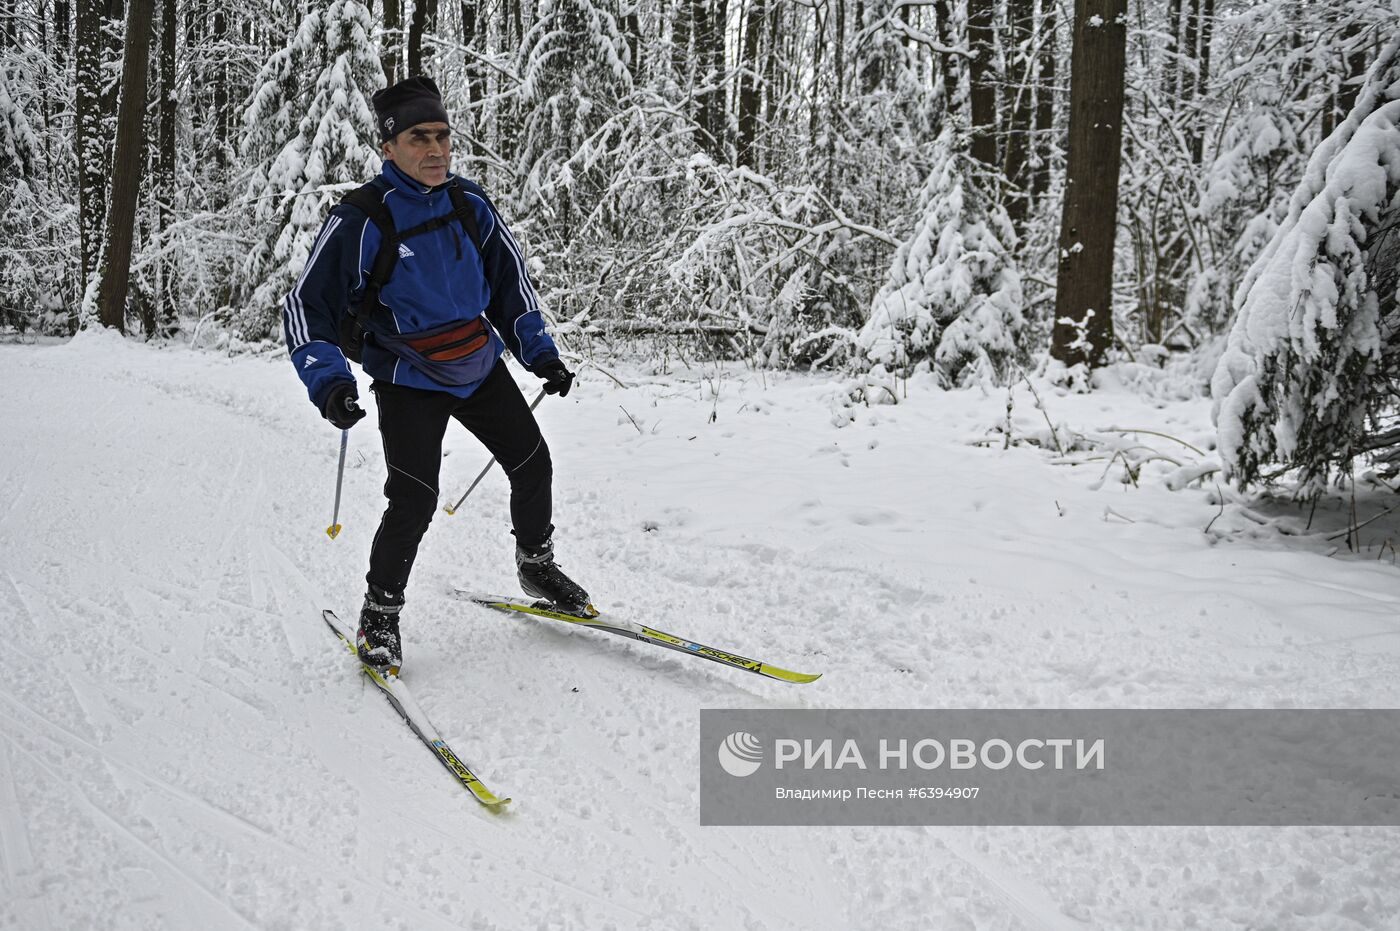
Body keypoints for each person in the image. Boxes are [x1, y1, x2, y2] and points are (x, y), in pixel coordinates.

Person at [282, 75, 591, 676]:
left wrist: (540, 354)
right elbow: (306, 304)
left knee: (533, 463)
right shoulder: (362, 218)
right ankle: (380, 613)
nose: (436, 150)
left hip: (477, 363)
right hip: (407, 375)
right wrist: (330, 382)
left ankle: (536, 564)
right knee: (415, 497)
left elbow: (511, 285)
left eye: (443, 136)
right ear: (389, 147)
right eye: (419, 138)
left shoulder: (469, 203)